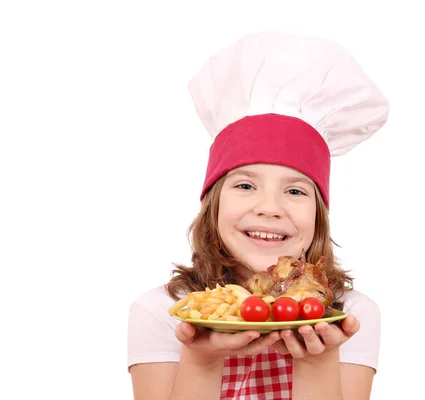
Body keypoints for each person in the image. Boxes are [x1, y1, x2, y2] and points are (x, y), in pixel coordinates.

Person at [127, 31, 390, 400]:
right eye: (246, 186)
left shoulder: (349, 315)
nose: (269, 207)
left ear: (319, 216)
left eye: (295, 191)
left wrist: (317, 361)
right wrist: (201, 361)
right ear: (212, 205)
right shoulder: (163, 311)